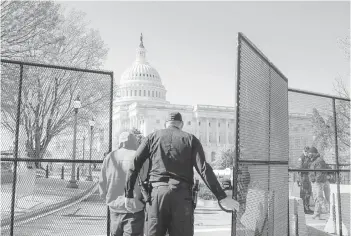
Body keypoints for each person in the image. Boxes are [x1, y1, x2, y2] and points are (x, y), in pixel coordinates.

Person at [124, 112, 239, 236]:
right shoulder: (190, 139)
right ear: (181, 124)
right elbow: (204, 169)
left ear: (165, 124)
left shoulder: (152, 137)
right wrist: (221, 196)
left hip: (157, 194)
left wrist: (128, 193)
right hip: (182, 195)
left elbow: (134, 164)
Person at [99, 131, 148, 236]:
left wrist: (106, 197)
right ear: (134, 142)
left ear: (120, 143)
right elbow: (146, 180)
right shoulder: (139, 157)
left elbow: (102, 182)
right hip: (134, 207)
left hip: (114, 208)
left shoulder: (110, 157)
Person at [308, 146, 328, 219]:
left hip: (318, 182)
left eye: (311, 153)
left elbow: (319, 173)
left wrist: (316, 180)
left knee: (319, 197)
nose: (309, 155)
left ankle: (328, 212)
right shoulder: (314, 160)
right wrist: (313, 180)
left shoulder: (319, 160)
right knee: (316, 198)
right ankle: (317, 214)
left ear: (314, 153)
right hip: (314, 182)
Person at [297, 146, 313, 214]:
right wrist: (299, 179)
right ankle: (305, 209)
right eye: (306, 151)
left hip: (307, 176)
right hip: (303, 176)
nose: (307, 153)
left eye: (308, 151)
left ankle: (306, 208)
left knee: (308, 192)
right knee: (305, 193)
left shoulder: (308, 158)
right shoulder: (302, 158)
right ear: (303, 151)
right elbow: (299, 168)